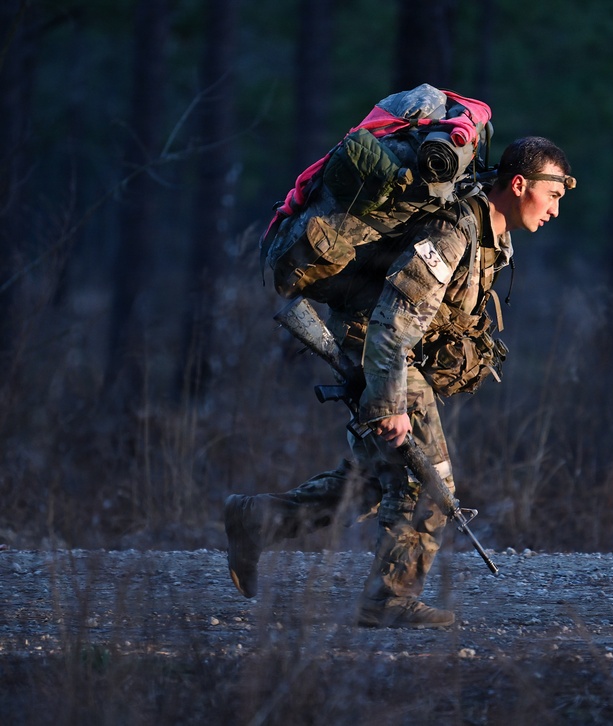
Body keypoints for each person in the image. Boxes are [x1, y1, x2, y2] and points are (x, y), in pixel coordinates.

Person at [224, 135, 574, 628]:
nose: (557, 209)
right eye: (554, 195)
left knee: (374, 480)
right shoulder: (454, 232)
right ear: (520, 184)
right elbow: (392, 320)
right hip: (381, 349)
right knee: (428, 479)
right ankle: (388, 598)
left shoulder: (493, 239)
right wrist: (389, 402)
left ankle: (258, 520)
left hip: (389, 352)